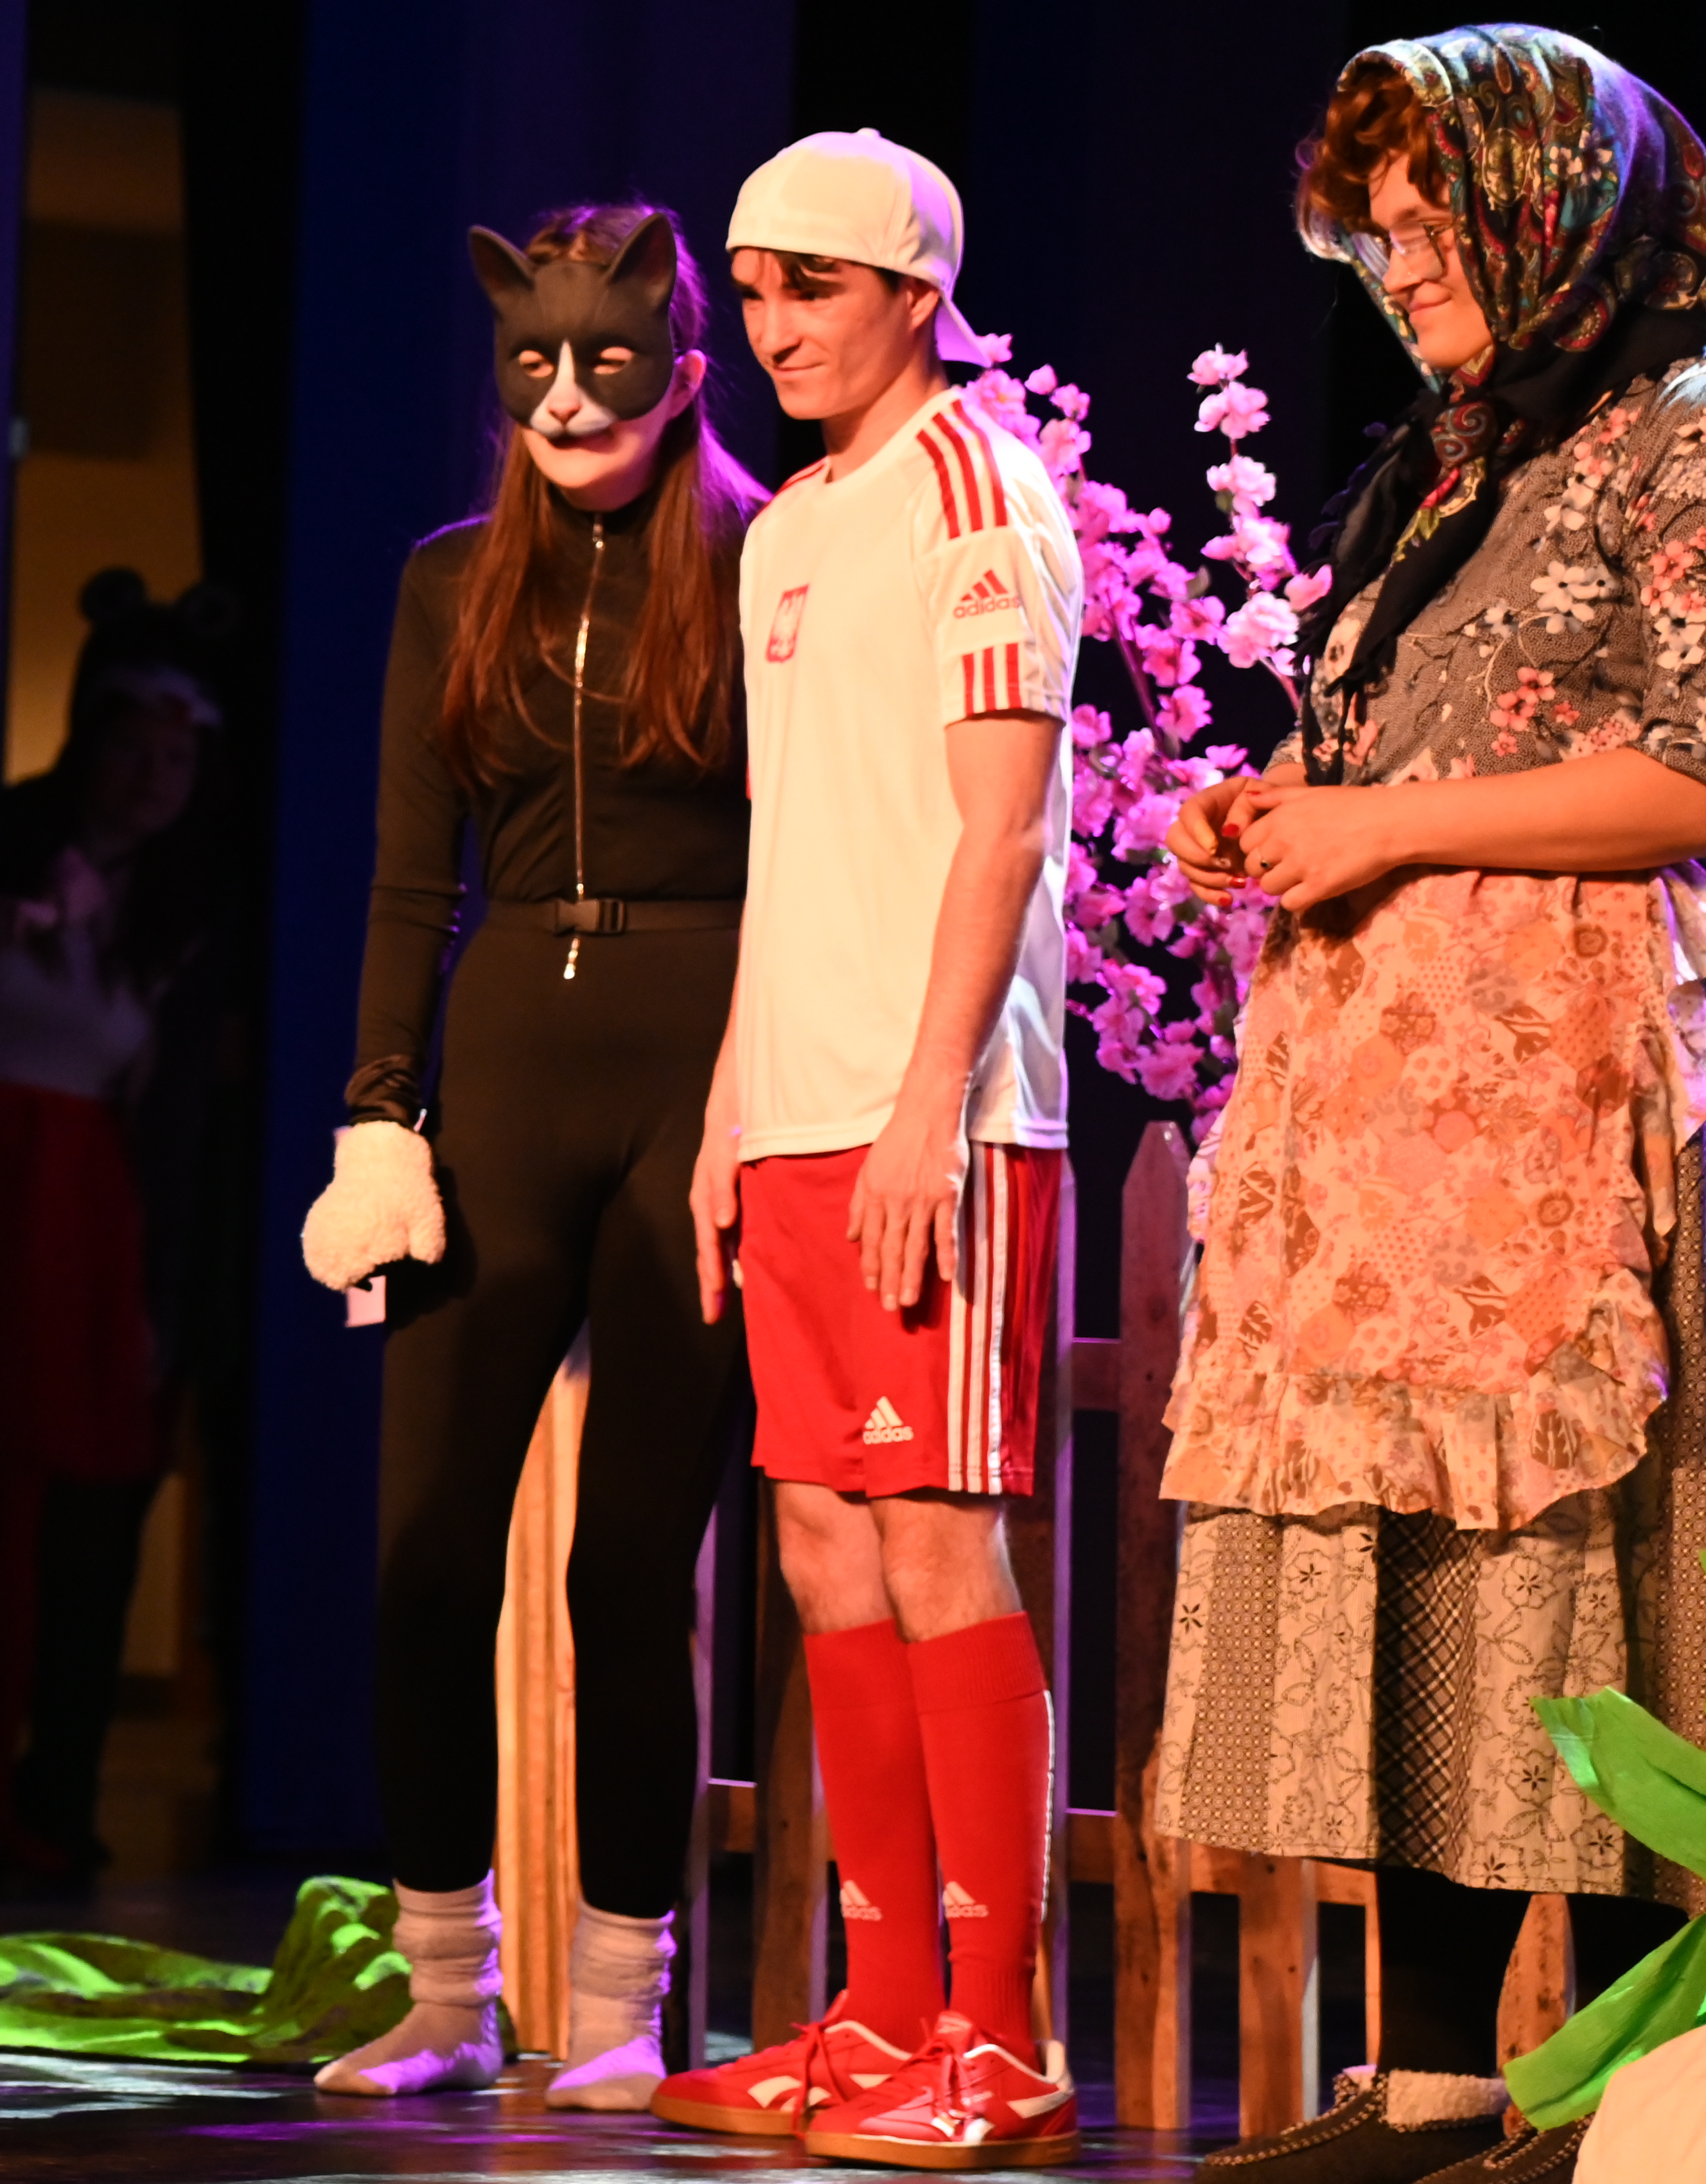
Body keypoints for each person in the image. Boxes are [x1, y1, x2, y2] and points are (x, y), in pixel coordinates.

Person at [1157, 28, 1706, 2183]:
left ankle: (1624, 2093)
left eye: (1433, 223)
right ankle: (1431, 2082)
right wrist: (1284, 809)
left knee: (1589, 1577)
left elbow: (1689, 768)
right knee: (1424, 1584)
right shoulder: (1450, 463)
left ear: (1548, 205)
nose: (1401, 270)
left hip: (1571, 1098)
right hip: (1395, 1123)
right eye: (1375, 236)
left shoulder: (1673, 429)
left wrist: (1387, 828)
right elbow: (1416, 753)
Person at [294, 202, 764, 2112]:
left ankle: (627, 1993)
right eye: (535, 367)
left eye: (607, 364)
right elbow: (411, 873)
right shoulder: (448, 579)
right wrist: (376, 1107)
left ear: (682, 369)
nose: (567, 400)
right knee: (425, 1552)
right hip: (503, 1058)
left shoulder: (760, 561)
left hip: (698, 1059)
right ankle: (443, 1987)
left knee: (628, 1563)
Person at [646, 132, 1085, 2169]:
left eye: (811, 285)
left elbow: (1002, 824)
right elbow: (793, 846)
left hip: (943, 1114)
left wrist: (927, 1106)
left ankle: (1004, 2038)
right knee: (824, 1543)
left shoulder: (979, 489)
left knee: (931, 1542)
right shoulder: (789, 528)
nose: (773, 325)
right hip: (802, 1106)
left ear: (915, 292)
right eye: (751, 290)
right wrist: (733, 1110)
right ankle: (884, 2014)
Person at [0, 589, 219, 1881]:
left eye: (180, 756)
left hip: (90, 1208)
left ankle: (52, 1793)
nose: (155, 777)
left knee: (86, 1506)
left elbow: (174, 1106)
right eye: (135, 745)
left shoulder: (182, 911)